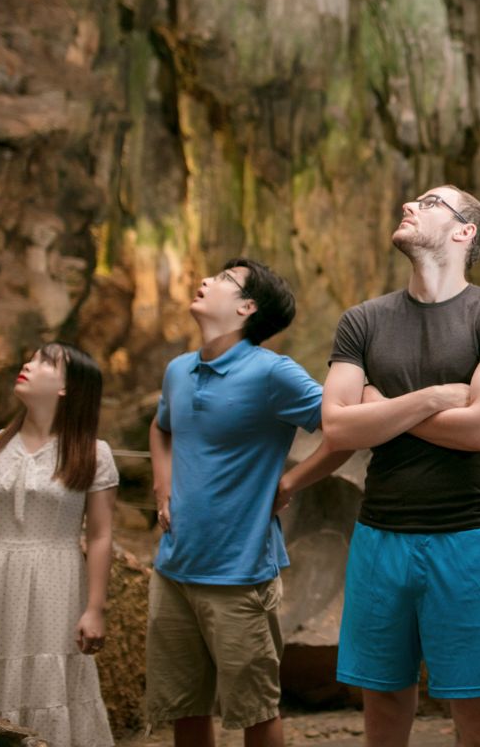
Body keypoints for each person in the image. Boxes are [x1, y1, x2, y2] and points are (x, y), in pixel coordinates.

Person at [323, 186, 480, 747]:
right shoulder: (362, 320)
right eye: (411, 199)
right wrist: (434, 398)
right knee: (384, 709)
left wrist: (379, 407)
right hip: (379, 536)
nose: (410, 205)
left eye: (430, 202)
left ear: (465, 232)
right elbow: (337, 427)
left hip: (467, 537)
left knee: (479, 718)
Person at [147, 259, 351, 747]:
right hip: (173, 566)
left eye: (222, 279)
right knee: (185, 707)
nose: (204, 280)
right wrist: (162, 487)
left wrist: (292, 483)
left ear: (246, 307)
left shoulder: (273, 374)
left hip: (239, 573)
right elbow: (161, 428)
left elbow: (342, 432)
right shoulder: (179, 369)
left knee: (255, 710)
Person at [0, 344, 116, 747]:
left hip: (57, 582)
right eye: (29, 358)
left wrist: (95, 607)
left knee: (49, 688)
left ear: (67, 387)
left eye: (44, 362)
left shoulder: (93, 454)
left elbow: (100, 535)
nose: (27, 365)